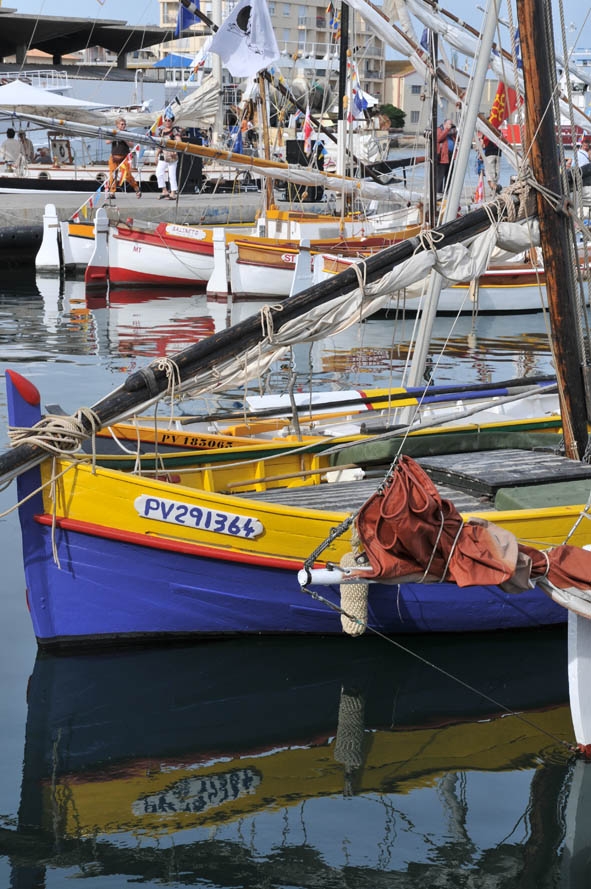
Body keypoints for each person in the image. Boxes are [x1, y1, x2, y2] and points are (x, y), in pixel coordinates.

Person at [106, 117, 141, 198]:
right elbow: (107, 142)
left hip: (124, 157)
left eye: (124, 124)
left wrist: (125, 139)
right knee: (113, 175)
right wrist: (115, 137)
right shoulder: (113, 133)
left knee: (127, 175)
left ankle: (136, 188)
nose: (123, 126)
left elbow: (132, 145)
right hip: (114, 156)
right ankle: (112, 192)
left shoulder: (127, 133)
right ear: (117, 125)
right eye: (122, 124)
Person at [155, 114, 182, 199]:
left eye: (169, 120)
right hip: (163, 155)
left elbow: (179, 142)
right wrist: (156, 155)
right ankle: (164, 190)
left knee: (172, 175)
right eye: (165, 120)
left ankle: (173, 193)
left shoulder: (175, 130)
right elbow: (160, 144)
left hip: (172, 155)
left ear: (172, 121)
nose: (167, 122)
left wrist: (175, 151)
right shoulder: (161, 131)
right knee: (158, 173)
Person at [436, 119, 455, 195]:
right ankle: (438, 192)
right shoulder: (439, 130)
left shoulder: (451, 133)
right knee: (441, 175)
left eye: (451, 125)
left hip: (451, 155)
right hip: (442, 156)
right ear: (445, 124)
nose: (450, 126)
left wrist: (454, 132)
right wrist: (447, 129)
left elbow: (457, 140)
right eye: (449, 124)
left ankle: (447, 191)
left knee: (449, 174)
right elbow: (439, 138)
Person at [479, 129, 502, 194]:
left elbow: (482, 143)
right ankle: (495, 190)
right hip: (498, 154)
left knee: (489, 175)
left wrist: (480, 155)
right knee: (495, 174)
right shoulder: (498, 131)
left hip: (489, 154)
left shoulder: (486, 131)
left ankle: (496, 188)